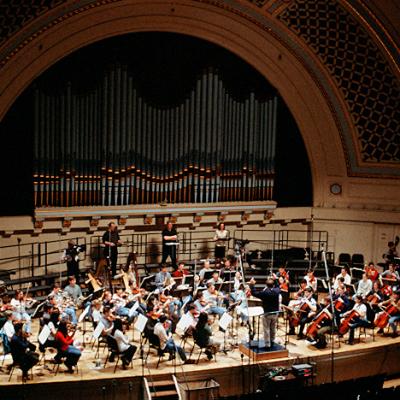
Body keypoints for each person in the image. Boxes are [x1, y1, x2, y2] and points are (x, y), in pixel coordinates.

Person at [249, 277, 280, 350]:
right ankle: (272, 341)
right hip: (275, 313)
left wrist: (252, 285)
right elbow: (278, 286)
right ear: (273, 285)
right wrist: (275, 279)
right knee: (273, 328)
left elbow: (254, 293)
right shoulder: (277, 291)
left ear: (266, 285)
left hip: (267, 314)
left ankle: (267, 345)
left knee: (266, 329)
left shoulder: (264, 292)